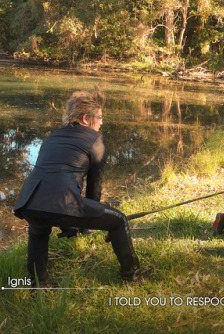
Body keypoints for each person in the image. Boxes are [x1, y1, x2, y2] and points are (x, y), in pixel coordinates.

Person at [13, 86, 140, 283]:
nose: (101, 123)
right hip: (60, 202)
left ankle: (39, 285)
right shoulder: (95, 139)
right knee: (119, 221)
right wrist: (89, 220)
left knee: (38, 233)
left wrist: (73, 224)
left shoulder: (52, 136)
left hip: (30, 201)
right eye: (99, 117)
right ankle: (132, 277)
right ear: (85, 119)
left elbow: (51, 177)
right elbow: (94, 188)